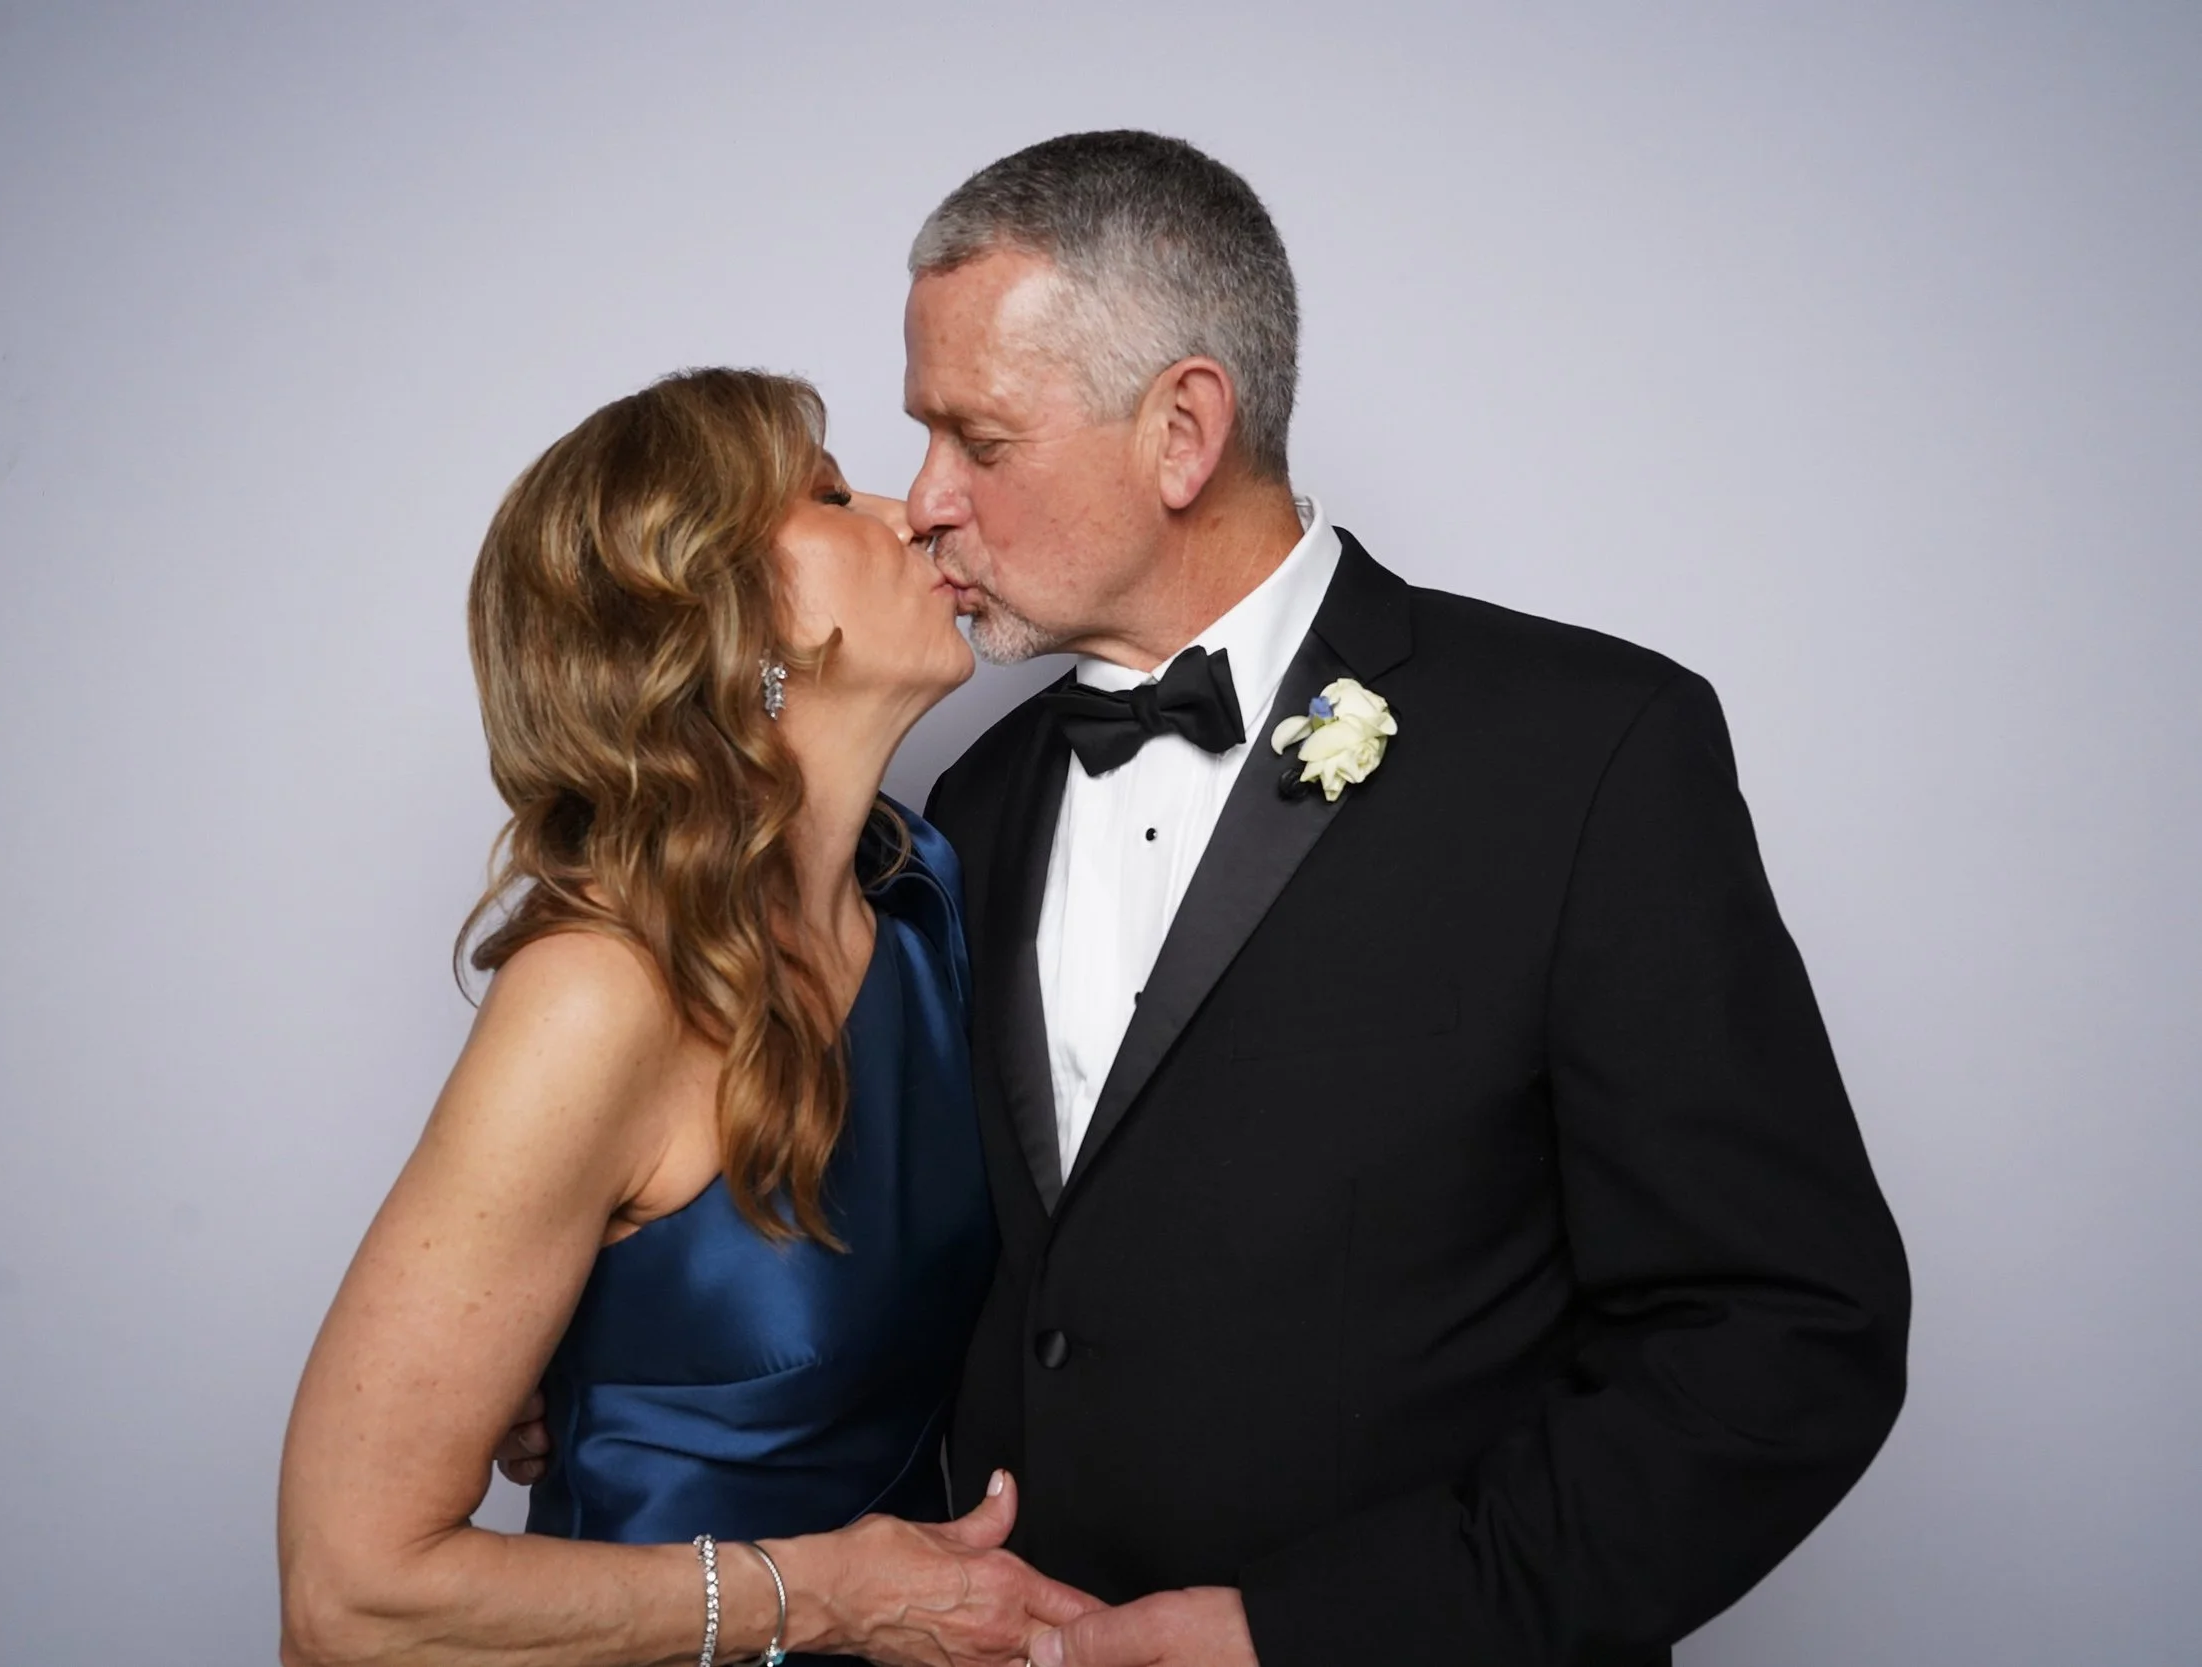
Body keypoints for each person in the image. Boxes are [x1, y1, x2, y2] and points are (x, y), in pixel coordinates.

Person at [903, 131, 1912, 1666]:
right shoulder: (971, 806)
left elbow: (1787, 1334)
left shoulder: (1589, 752)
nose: (923, 501)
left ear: (1183, 431)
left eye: (976, 439)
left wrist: (1309, 1633)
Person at [276, 368, 1098, 1667]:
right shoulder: (604, 989)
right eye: (830, 493)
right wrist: (827, 1594)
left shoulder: (927, 904)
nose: (915, 509)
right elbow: (349, 1597)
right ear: (720, 617)